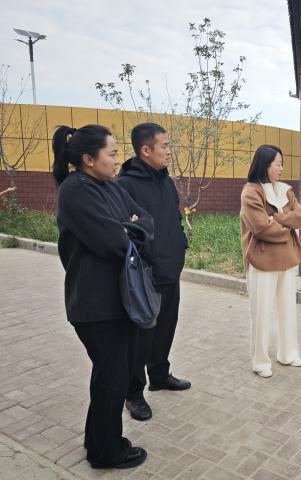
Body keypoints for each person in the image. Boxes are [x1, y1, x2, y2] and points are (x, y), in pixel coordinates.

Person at [53, 124, 152, 469]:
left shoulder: (110, 186)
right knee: (113, 377)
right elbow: (114, 242)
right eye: (111, 153)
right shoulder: (75, 190)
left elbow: (147, 222)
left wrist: (130, 227)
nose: (116, 159)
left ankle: (97, 441)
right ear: (88, 159)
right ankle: (107, 452)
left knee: (112, 374)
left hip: (120, 299)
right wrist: (128, 228)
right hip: (94, 304)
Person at [118, 123, 190, 422]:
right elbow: (126, 232)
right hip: (146, 274)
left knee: (166, 327)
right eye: (165, 146)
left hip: (170, 269)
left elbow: (174, 218)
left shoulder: (165, 181)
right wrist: (148, 258)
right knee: (141, 338)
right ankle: (133, 394)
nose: (169, 151)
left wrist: (181, 243)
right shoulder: (126, 185)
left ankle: (159, 375)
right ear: (146, 150)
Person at [240, 144, 301, 378]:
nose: (281, 168)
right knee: (261, 313)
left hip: (286, 259)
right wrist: (287, 225)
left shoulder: (285, 190)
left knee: (287, 309)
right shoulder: (251, 192)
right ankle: (260, 362)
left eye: (282, 163)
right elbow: (261, 227)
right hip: (261, 260)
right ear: (264, 165)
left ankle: (288, 353)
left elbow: (300, 216)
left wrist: (277, 218)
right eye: (277, 163)